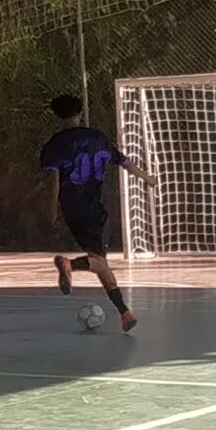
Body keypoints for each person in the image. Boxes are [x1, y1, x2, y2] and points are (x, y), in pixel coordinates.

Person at [41, 94, 154, 332]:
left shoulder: (54, 145)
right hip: (95, 207)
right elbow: (125, 163)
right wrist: (147, 178)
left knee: (101, 262)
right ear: (80, 112)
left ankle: (124, 313)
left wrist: (51, 211)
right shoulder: (98, 138)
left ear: (57, 115)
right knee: (100, 261)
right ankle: (69, 264)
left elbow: (53, 181)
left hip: (72, 209)